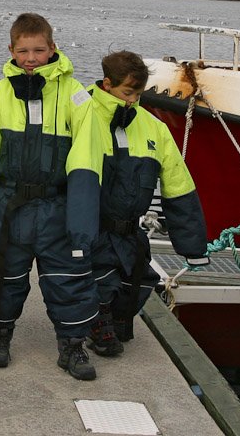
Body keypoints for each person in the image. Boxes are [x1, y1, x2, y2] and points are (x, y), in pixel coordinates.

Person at [0, 12, 104, 381]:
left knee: (69, 279)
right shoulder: (0, 91)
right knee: (2, 276)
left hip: (56, 206)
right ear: (11, 50)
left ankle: (72, 344)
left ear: (53, 48)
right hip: (10, 205)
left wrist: (80, 218)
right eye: (23, 51)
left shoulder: (76, 94)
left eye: (39, 50)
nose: (31, 58)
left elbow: (87, 156)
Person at [87, 50, 209, 355]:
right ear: (107, 84)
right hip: (92, 227)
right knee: (99, 281)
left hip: (129, 230)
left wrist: (193, 249)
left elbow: (178, 187)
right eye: (127, 92)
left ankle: (115, 321)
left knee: (140, 281)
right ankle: (97, 326)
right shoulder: (80, 114)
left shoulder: (155, 128)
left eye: (138, 94)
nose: (132, 100)